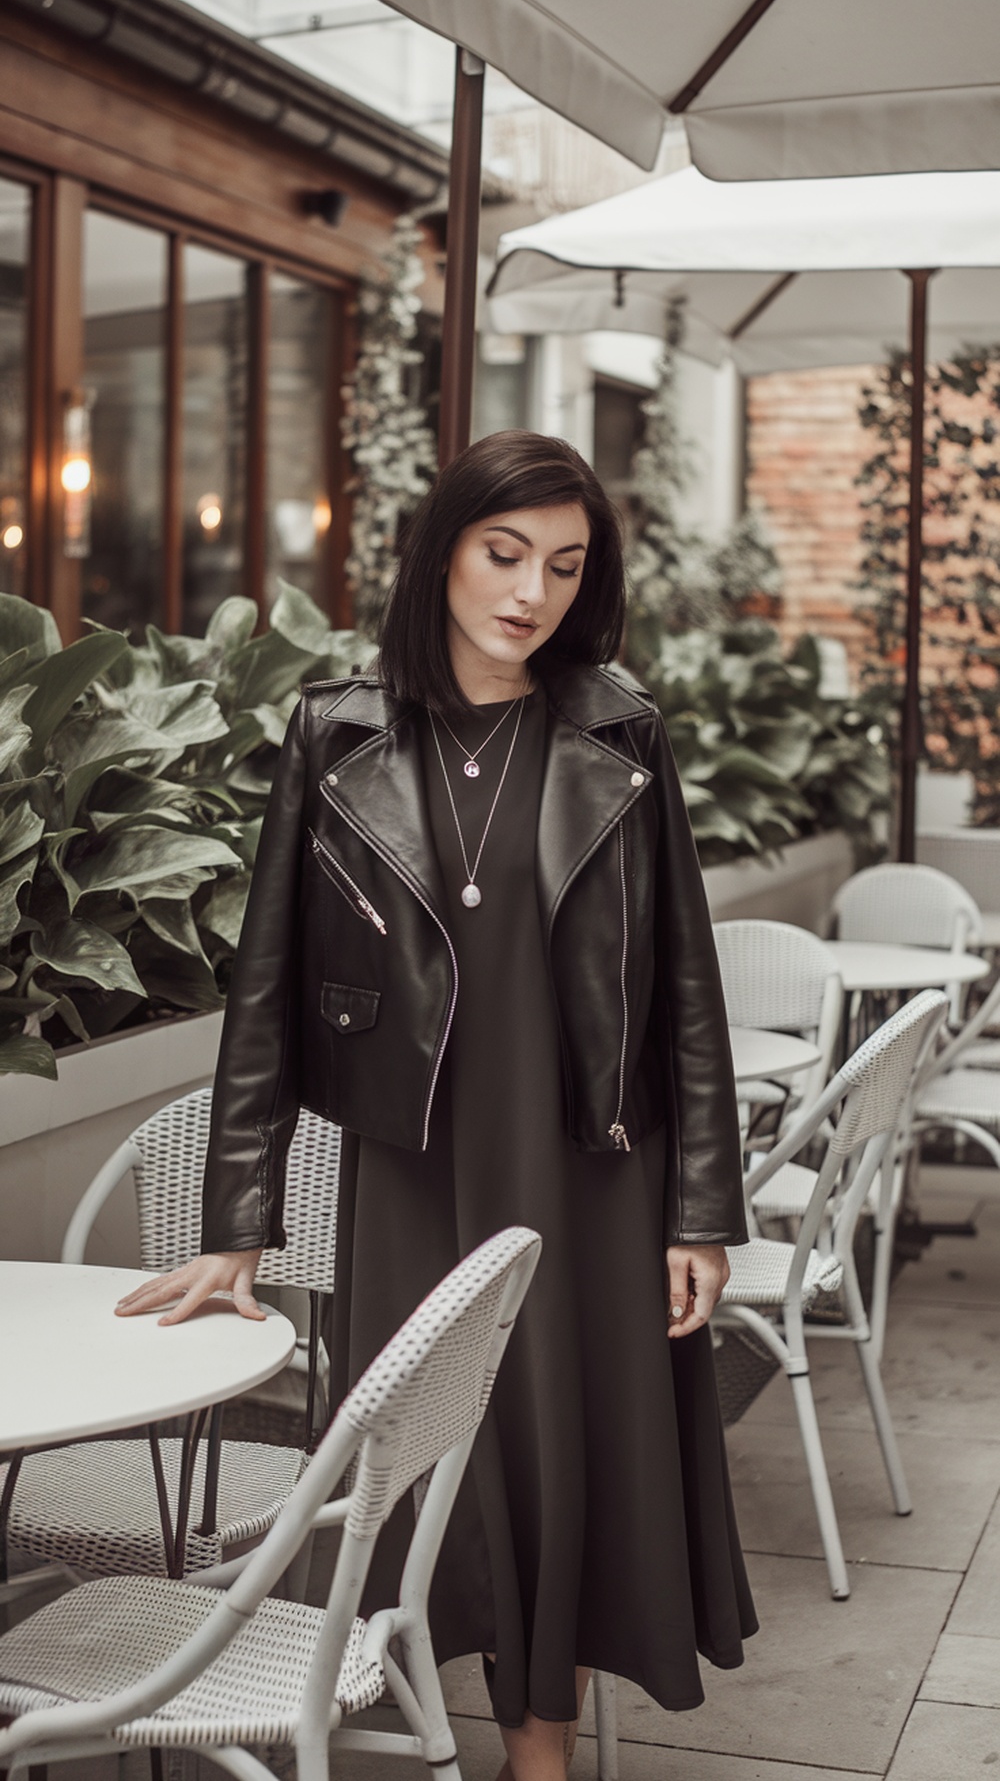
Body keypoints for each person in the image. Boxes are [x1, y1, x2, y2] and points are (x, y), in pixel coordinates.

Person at [118, 430, 757, 1780]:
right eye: (504, 553)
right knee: (421, 1455)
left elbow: (685, 987)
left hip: (590, 1158)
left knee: (559, 1444)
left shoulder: (619, 731)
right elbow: (267, 989)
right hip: (410, 1157)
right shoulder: (337, 731)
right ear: (442, 552)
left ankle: (539, 1748)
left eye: (564, 567)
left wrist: (701, 1208)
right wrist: (237, 1224)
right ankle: (405, 1709)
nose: (532, 593)